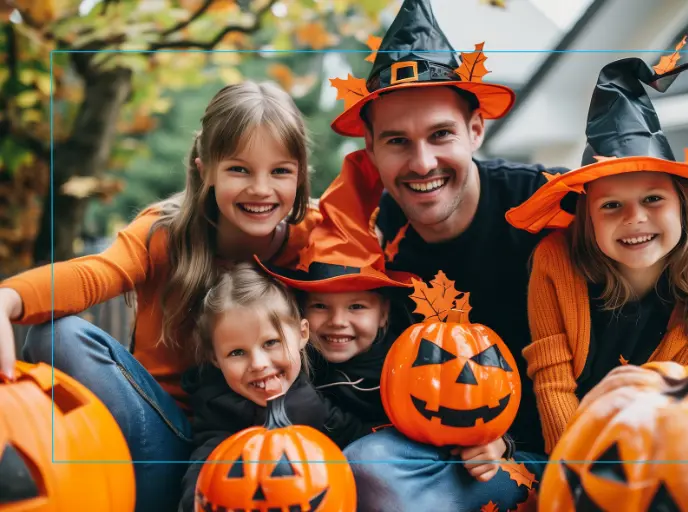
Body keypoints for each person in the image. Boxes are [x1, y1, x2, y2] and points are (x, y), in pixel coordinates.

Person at [0, 81, 321, 512]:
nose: (261, 189)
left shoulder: (317, 236)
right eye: (239, 170)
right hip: (169, 434)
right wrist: (8, 300)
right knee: (58, 336)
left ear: (300, 173)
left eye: (280, 171)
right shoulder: (165, 234)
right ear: (204, 167)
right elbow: (97, 273)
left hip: (278, 440)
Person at [323, 0, 567, 509]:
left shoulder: (551, 210)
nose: (422, 162)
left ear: (475, 130)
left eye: (441, 135)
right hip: (425, 450)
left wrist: (508, 441)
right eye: (397, 141)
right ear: (370, 147)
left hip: (555, 447)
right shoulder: (368, 238)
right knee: (366, 468)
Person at [504, 52, 688, 454]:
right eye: (611, 205)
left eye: (653, 198)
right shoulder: (554, 261)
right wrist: (579, 476)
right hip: (565, 451)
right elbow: (553, 378)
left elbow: (678, 410)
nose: (635, 217)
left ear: (683, 205)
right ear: (586, 218)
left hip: (662, 452)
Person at [178, 263, 374, 512]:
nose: (259, 364)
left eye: (270, 342)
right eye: (237, 352)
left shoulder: (308, 401)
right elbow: (204, 475)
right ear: (215, 358)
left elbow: (355, 434)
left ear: (303, 334)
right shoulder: (217, 411)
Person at [256, 150, 417, 426]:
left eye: (356, 306)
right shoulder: (283, 359)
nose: (337, 322)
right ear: (301, 312)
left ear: (383, 314)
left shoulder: (406, 372)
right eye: (320, 306)